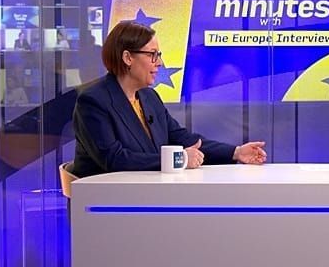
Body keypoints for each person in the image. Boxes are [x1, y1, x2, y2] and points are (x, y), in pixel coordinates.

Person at [71, 21, 267, 177]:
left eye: (159, 55)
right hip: (108, 203)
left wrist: (236, 152)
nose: (160, 62)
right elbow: (114, 159)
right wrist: (179, 159)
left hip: (147, 194)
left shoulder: (149, 97)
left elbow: (184, 140)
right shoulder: (93, 101)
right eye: (152, 55)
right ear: (128, 58)